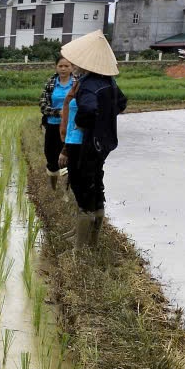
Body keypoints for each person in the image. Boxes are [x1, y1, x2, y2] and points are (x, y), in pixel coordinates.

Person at [58, 30, 127, 249]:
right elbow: (121, 103)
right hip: (102, 144)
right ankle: (92, 241)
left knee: (83, 187)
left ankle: (80, 246)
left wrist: (84, 121)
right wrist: (104, 121)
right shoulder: (108, 82)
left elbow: (87, 110)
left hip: (84, 145)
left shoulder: (88, 85)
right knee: (96, 186)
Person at [39, 57, 76, 188]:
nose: (63, 69)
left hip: (71, 127)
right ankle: (53, 187)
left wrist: (68, 113)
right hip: (53, 125)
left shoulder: (77, 83)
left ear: (72, 67)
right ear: (56, 67)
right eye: (60, 66)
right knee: (51, 157)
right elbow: (42, 105)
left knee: (69, 158)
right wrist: (57, 112)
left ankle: (68, 189)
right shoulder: (51, 83)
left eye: (67, 66)